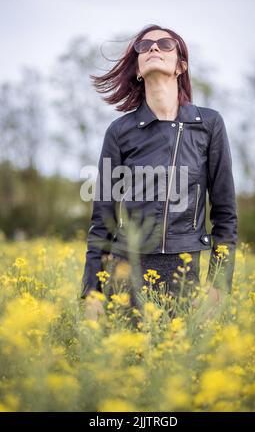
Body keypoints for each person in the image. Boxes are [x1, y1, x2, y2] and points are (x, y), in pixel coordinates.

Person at [80, 24, 238, 321]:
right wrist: (93, 291)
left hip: (184, 275)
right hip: (126, 274)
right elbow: (102, 220)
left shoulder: (210, 125)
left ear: (181, 65)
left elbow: (225, 214)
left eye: (165, 44)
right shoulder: (119, 131)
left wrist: (218, 285)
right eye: (144, 46)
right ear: (138, 70)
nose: (153, 48)